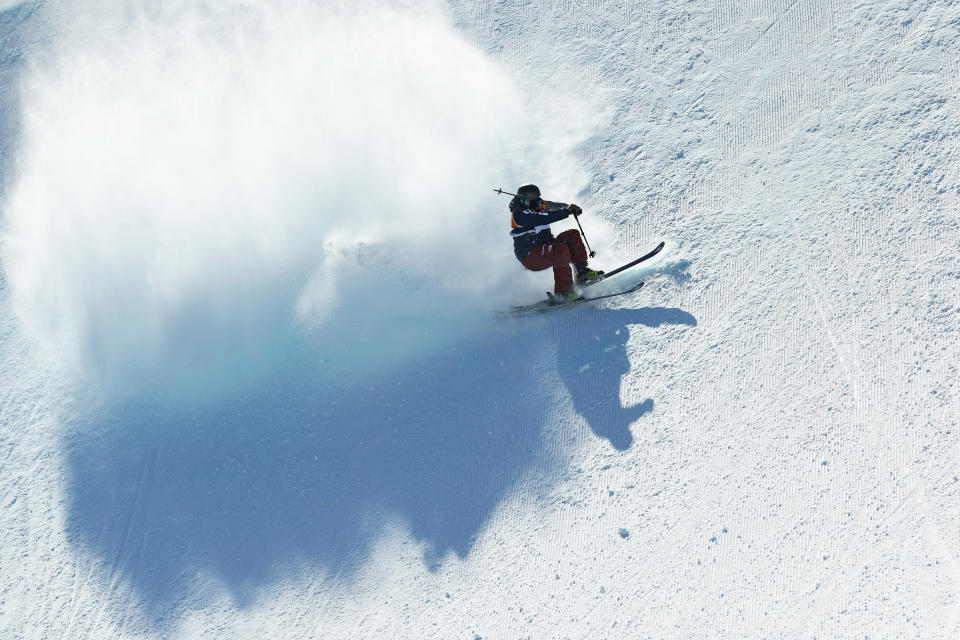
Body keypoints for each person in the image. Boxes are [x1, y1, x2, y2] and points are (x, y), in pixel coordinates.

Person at [509, 184, 603, 303]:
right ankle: (563, 292)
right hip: (530, 255)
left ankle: (582, 273)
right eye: (532, 204)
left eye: (537, 202)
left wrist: (569, 207)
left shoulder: (539, 204)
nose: (537, 205)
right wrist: (565, 212)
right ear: (523, 202)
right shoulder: (519, 215)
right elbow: (543, 218)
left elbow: (553, 206)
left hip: (545, 245)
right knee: (560, 250)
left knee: (572, 235)